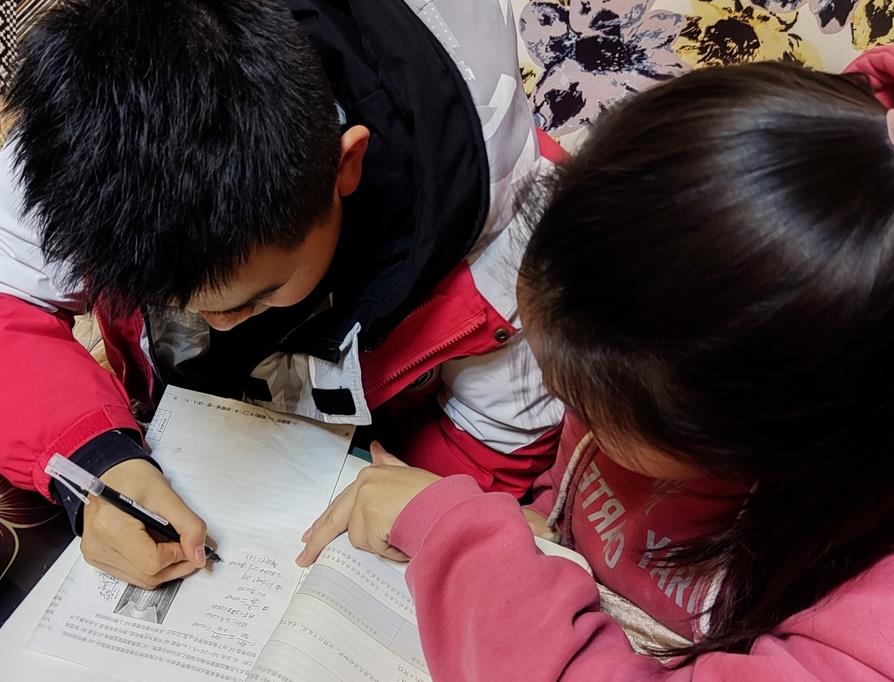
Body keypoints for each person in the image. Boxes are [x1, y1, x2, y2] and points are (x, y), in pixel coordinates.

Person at [299, 50, 894, 679]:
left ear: (766, 440)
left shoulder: (870, 616)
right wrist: (539, 528)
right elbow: (577, 483)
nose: (567, 417)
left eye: (589, 409)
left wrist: (454, 536)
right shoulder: (825, 192)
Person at [0, 0, 565, 589]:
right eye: (172, 304)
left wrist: (397, 508)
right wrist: (97, 458)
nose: (217, 324)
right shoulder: (86, 125)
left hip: (371, 464)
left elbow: (491, 441)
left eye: (255, 297)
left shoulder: (517, 247)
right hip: (179, 434)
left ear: (346, 165)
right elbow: (8, 288)